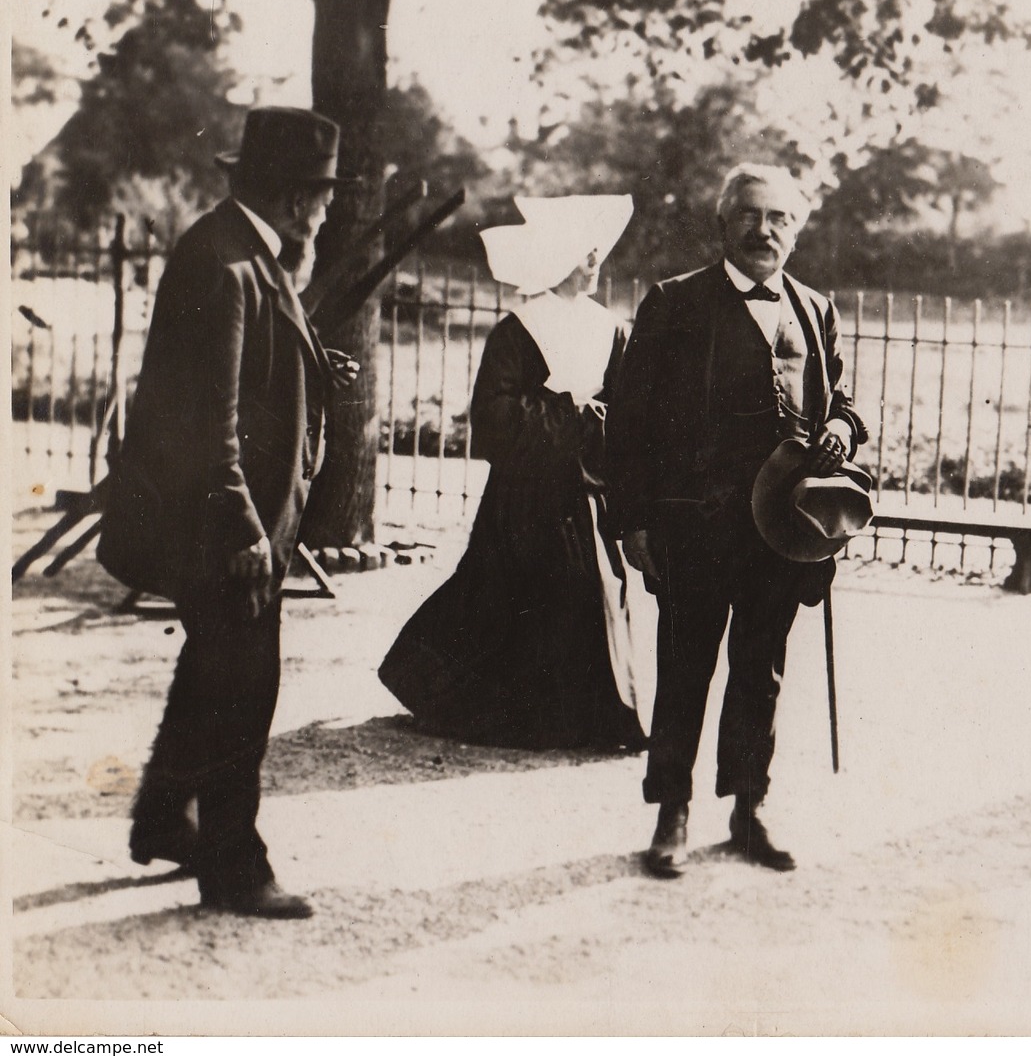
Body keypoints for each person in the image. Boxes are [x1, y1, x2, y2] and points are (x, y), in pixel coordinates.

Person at [98, 107, 359, 918]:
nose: (323, 213)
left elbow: (249, 383)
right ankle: (235, 868)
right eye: (320, 198)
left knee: (213, 665)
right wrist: (243, 527)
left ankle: (163, 817)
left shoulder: (244, 251)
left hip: (233, 516)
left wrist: (315, 368)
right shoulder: (225, 263)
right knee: (244, 686)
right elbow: (207, 419)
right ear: (291, 198)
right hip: (225, 525)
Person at [606, 163, 868, 877]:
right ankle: (672, 812)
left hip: (781, 532)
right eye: (750, 215)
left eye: (780, 218)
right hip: (695, 524)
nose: (764, 230)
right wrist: (632, 522)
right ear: (723, 224)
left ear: (797, 229)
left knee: (762, 670)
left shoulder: (815, 309)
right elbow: (628, 424)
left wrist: (841, 432)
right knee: (685, 667)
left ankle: (748, 808)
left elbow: (840, 404)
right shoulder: (674, 303)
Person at [377, 195, 646, 752]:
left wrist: (604, 434)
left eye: (597, 249)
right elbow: (494, 421)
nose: (594, 259)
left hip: (587, 491)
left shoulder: (611, 329)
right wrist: (569, 415)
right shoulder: (519, 329)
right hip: (527, 494)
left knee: (597, 589)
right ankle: (531, 717)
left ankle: (593, 717)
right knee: (517, 591)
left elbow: (627, 411)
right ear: (556, 256)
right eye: (581, 250)